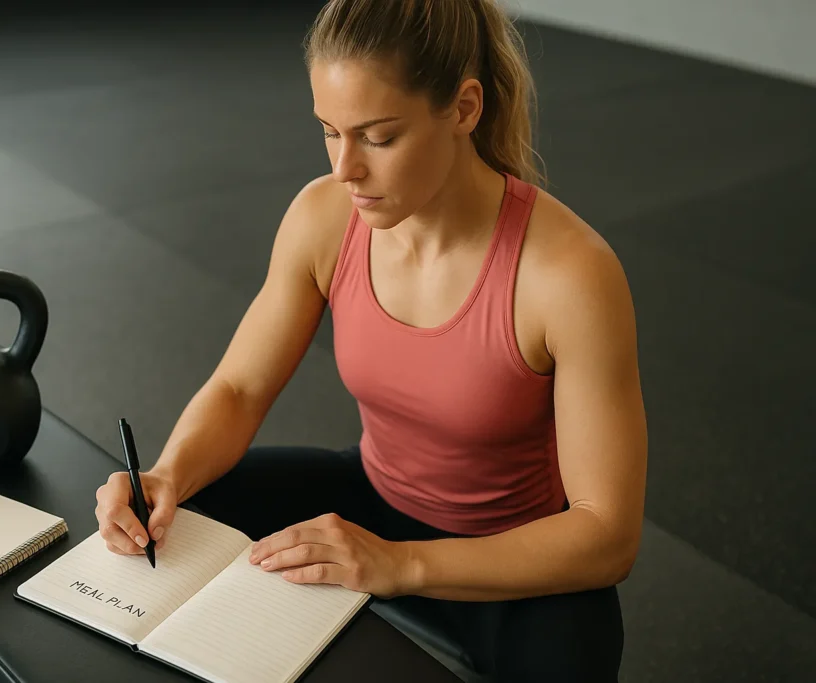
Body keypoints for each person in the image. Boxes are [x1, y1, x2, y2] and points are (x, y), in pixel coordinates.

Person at [95, 0, 647, 680]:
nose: (345, 167)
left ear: (464, 108)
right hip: (371, 494)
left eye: (378, 137)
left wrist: (400, 563)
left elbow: (607, 531)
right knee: (186, 515)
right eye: (330, 131)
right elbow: (239, 388)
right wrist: (164, 477)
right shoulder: (323, 216)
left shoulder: (569, 274)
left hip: (513, 548)